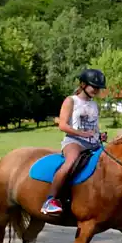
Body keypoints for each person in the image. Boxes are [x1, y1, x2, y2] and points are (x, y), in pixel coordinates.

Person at [40, 68, 108, 215]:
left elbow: (94, 127)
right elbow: (62, 125)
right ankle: (50, 200)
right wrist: (82, 134)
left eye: (98, 88)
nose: (96, 90)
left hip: (93, 142)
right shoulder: (71, 101)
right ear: (83, 84)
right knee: (71, 161)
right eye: (93, 86)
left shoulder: (94, 105)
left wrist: (99, 135)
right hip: (74, 141)